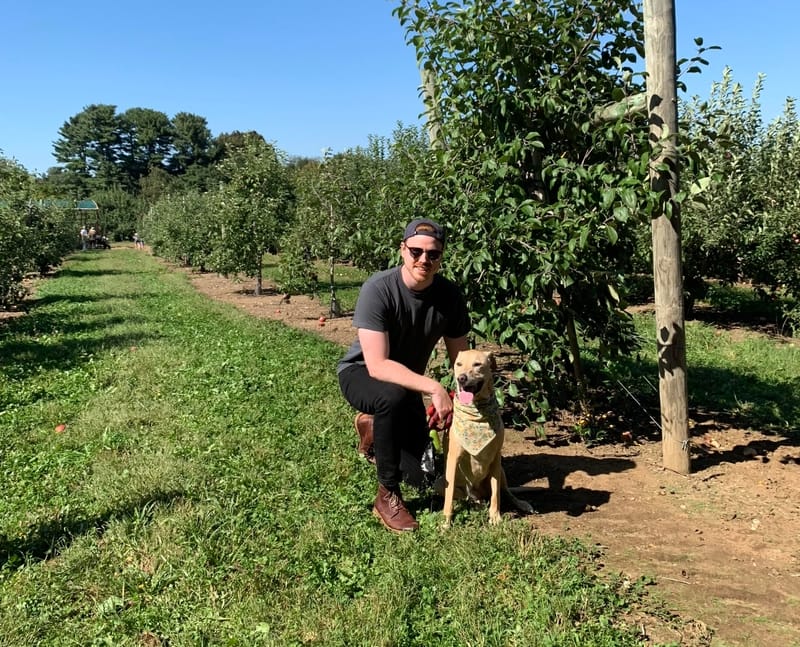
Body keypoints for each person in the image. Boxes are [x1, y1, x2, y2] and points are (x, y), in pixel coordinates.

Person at [337, 218, 471, 533]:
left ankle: (372, 430)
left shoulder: (449, 297)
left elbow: (460, 362)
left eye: (433, 254)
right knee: (390, 397)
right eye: (416, 251)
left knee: (424, 476)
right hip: (362, 375)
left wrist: (462, 401)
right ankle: (387, 495)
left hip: (406, 385)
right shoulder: (379, 288)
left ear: (441, 257)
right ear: (402, 250)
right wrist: (434, 388)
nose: (423, 259)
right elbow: (378, 366)